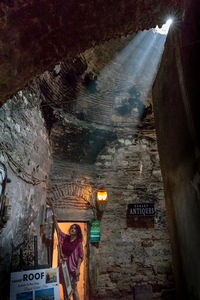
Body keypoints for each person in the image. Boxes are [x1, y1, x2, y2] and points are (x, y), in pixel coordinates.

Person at [54, 217, 84, 300]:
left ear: (78, 231)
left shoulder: (78, 242)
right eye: (72, 228)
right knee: (65, 289)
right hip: (64, 267)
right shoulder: (65, 238)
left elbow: (80, 256)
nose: (73, 229)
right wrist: (55, 218)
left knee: (74, 290)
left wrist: (78, 269)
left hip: (73, 269)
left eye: (75, 228)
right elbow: (58, 230)